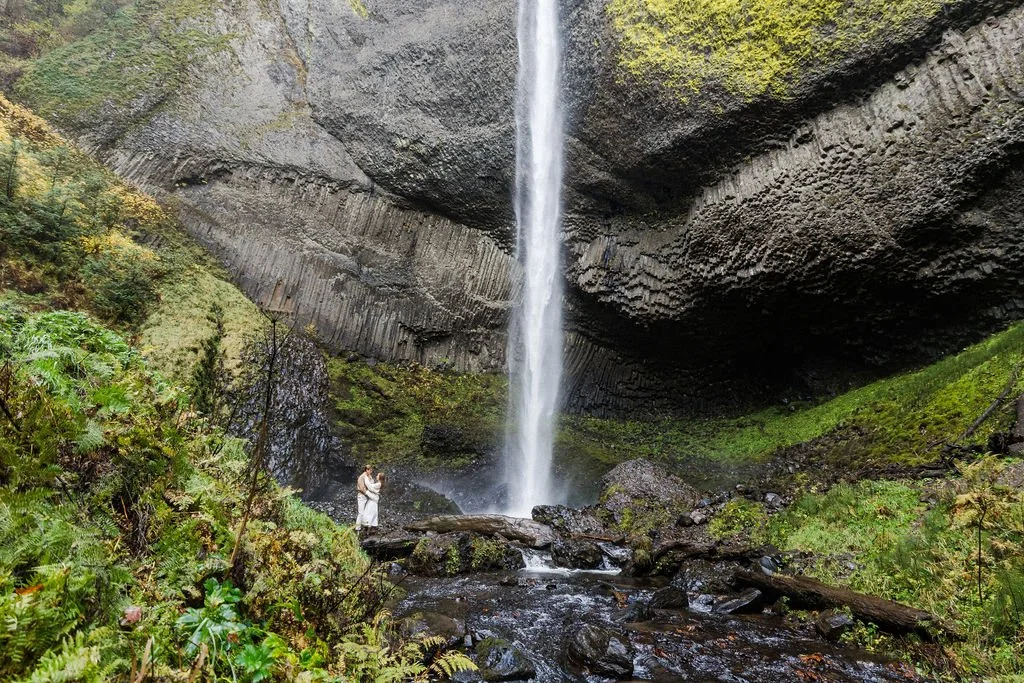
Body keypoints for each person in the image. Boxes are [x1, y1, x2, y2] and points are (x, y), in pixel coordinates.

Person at [355, 464, 374, 532]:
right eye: (370, 470)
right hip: (362, 496)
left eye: (371, 470)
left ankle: (367, 526)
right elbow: (362, 488)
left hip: (368, 496)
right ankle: (357, 528)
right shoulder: (361, 477)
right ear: (366, 470)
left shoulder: (370, 476)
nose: (371, 472)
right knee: (361, 513)